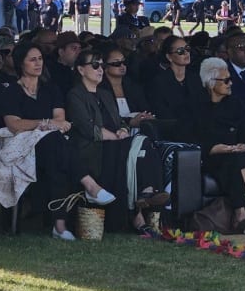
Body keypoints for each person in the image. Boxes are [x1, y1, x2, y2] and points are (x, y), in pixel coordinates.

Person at [0, 44, 116, 240]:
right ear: (20, 63)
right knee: (57, 146)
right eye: (32, 59)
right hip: (23, 148)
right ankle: (88, 189)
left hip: (50, 147)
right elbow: (14, 124)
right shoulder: (10, 91)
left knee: (57, 154)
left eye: (40, 58)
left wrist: (48, 125)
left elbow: (60, 120)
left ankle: (60, 225)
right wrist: (44, 123)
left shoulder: (51, 89)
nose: (38, 63)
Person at [65, 49, 168, 236]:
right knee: (141, 144)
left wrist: (122, 130)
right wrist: (116, 136)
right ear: (81, 70)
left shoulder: (105, 94)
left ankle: (142, 201)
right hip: (93, 150)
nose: (100, 69)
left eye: (101, 65)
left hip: (115, 144)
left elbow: (119, 122)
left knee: (146, 146)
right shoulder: (75, 95)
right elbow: (89, 130)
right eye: (95, 65)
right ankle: (144, 199)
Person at [195, 58, 245, 234]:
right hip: (211, 156)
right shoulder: (197, 106)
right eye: (225, 80)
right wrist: (215, 148)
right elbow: (191, 137)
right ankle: (241, 215)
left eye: (230, 79)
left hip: (235, 153)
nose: (230, 83)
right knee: (233, 162)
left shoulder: (235, 104)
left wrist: (243, 145)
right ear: (211, 83)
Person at [145, 36, 202, 132]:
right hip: (171, 131)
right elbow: (161, 112)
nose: (186, 53)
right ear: (169, 57)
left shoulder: (195, 78)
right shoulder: (159, 82)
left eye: (187, 49)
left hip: (197, 129)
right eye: (180, 51)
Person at [99, 45, 156, 128]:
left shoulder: (133, 85)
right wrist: (130, 121)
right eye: (117, 63)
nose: (122, 66)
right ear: (105, 66)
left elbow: (145, 108)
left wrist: (147, 116)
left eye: (124, 62)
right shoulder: (100, 88)